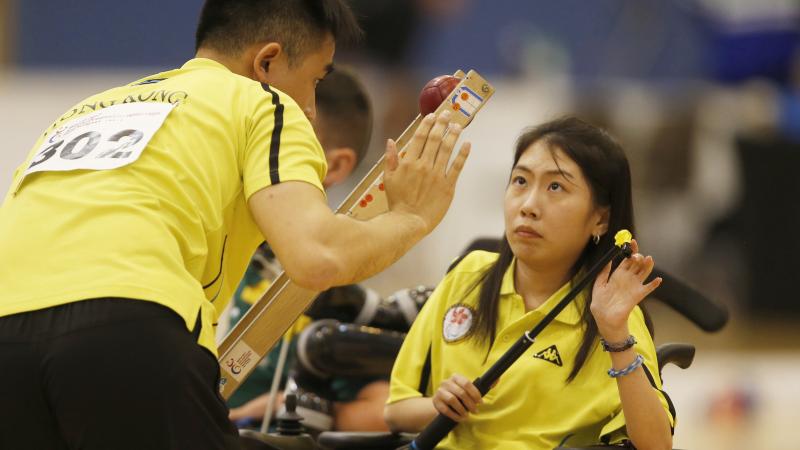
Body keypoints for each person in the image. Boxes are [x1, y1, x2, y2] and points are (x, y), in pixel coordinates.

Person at [0, 0, 471, 448]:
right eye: (313, 81)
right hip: (125, 327)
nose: (311, 108)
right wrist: (412, 216)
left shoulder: (84, 112)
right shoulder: (264, 103)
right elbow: (317, 256)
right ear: (267, 63)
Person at [384, 117, 674, 449]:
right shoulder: (467, 275)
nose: (529, 206)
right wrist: (439, 405)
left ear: (601, 218)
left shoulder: (613, 315)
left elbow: (656, 446)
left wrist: (616, 337)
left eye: (556, 187)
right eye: (520, 181)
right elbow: (396, 411)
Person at [226, 67, 391, 432]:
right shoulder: (197, 245)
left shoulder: (339, 299)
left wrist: (295, 408)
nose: (253, 149)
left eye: (277, 140)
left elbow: (384, 408)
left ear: (333, 165)